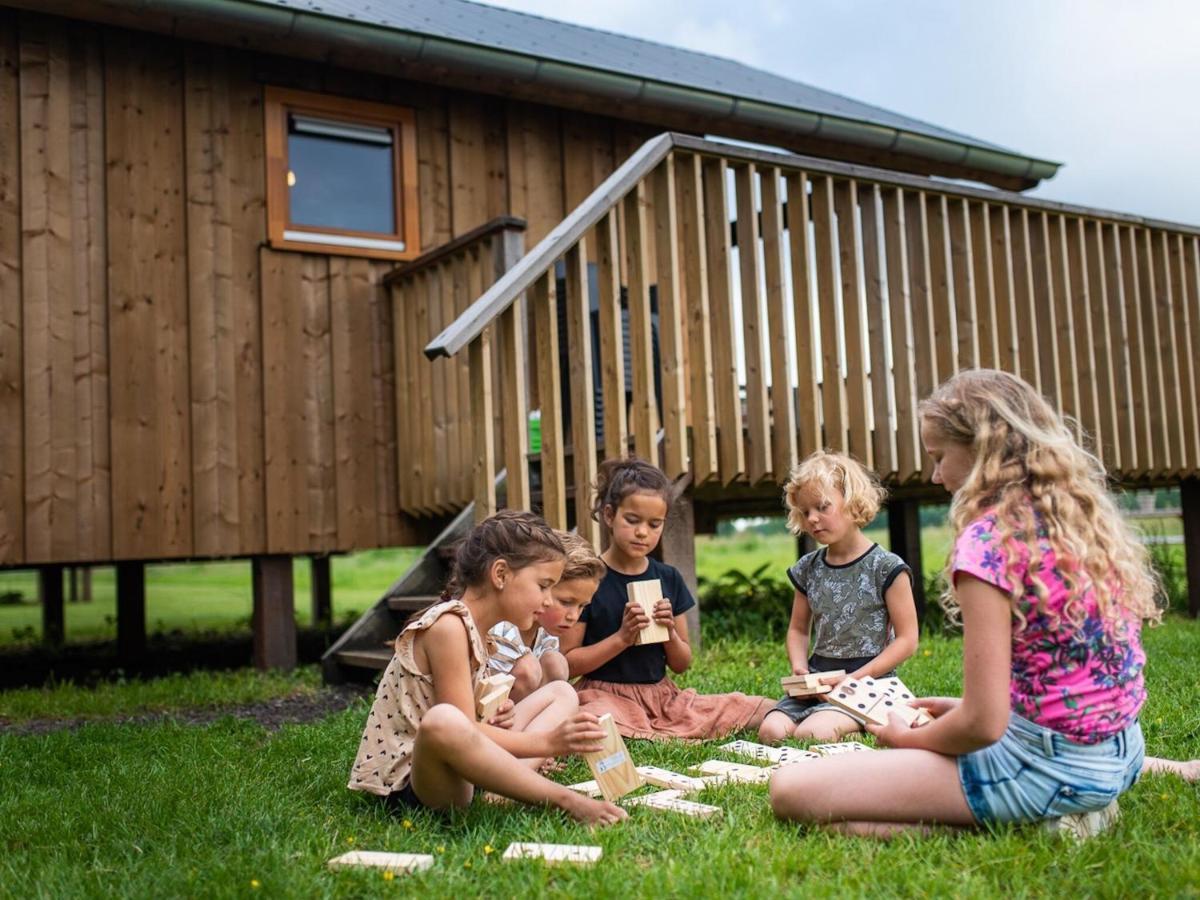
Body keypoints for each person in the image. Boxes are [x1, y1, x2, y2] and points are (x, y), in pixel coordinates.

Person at [770, 369, 1197, 838]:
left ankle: (1039, 823)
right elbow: (1060, 684)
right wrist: (958, 709)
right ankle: (1072, 803)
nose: (934, 475)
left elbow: (981, 726)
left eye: (939, 457)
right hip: (1119, 754)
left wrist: (904, 738)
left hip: (1044, 770)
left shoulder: (990, 544)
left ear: (982, 452)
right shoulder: (1076, 521)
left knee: (791, 790)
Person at [347, 509, 626, 826]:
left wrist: (493, 718)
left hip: (462, 767)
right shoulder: (448, 627)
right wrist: (547, 743)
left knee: (561, 692)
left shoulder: (483, 631)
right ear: (501, 575)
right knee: (443, 720)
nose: (548, 601)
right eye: (543, 586)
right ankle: (563, 800)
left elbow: (471, 723)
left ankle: (511, 787)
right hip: (416, 785)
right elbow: (455, 725)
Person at [561, 456, 773, 739]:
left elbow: (682, 664)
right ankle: (645, 730)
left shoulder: (668, 577)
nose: (642, 532)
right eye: (632, 520)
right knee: (593, 719)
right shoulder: (591, 581)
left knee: (745, 707)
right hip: (604, 694)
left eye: (654, 524)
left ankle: (650, 728)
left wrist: (669, 633)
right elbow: (569, 663)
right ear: (610, 515)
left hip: (661, 696)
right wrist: (622, 638)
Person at [758, 451, 918, 744]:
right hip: (817, 681)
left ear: (852, 500)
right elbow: (797, 629)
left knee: (812, 734)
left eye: (822, 507)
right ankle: (823, 712)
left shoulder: (886, 567)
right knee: (770, 732)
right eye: (805, 512)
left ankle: (858, 721)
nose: (813, 519)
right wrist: (800, 670)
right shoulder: (808, 568)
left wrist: (854, 679)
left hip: (870, 682)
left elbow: (907, 640)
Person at [486, 531, 606, 701]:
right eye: (565, 602)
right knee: (528, 669)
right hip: (489, 717)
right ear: (544, 587)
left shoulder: (545, 634)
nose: (574, 616)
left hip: (523, 714)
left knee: (556, 662)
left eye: (582, 606)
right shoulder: (502, 630)